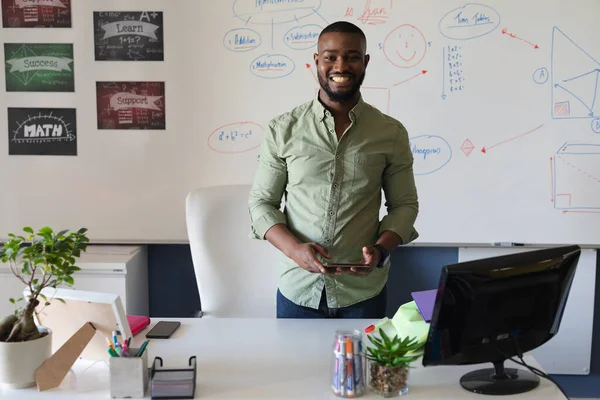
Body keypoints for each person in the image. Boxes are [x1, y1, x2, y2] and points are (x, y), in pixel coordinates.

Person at [248, 21, 419, 319]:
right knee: (295, 368)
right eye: (330, 56)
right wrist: (295, 251)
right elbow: (262, 204)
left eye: (352, 57)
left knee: (363, 368)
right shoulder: (282, 130)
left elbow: (404, 205)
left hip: (363, 293)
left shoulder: (390, 133)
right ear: (316, 61)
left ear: (365, 62)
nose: (341, 65)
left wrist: (379, 252)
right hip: (298, 291)